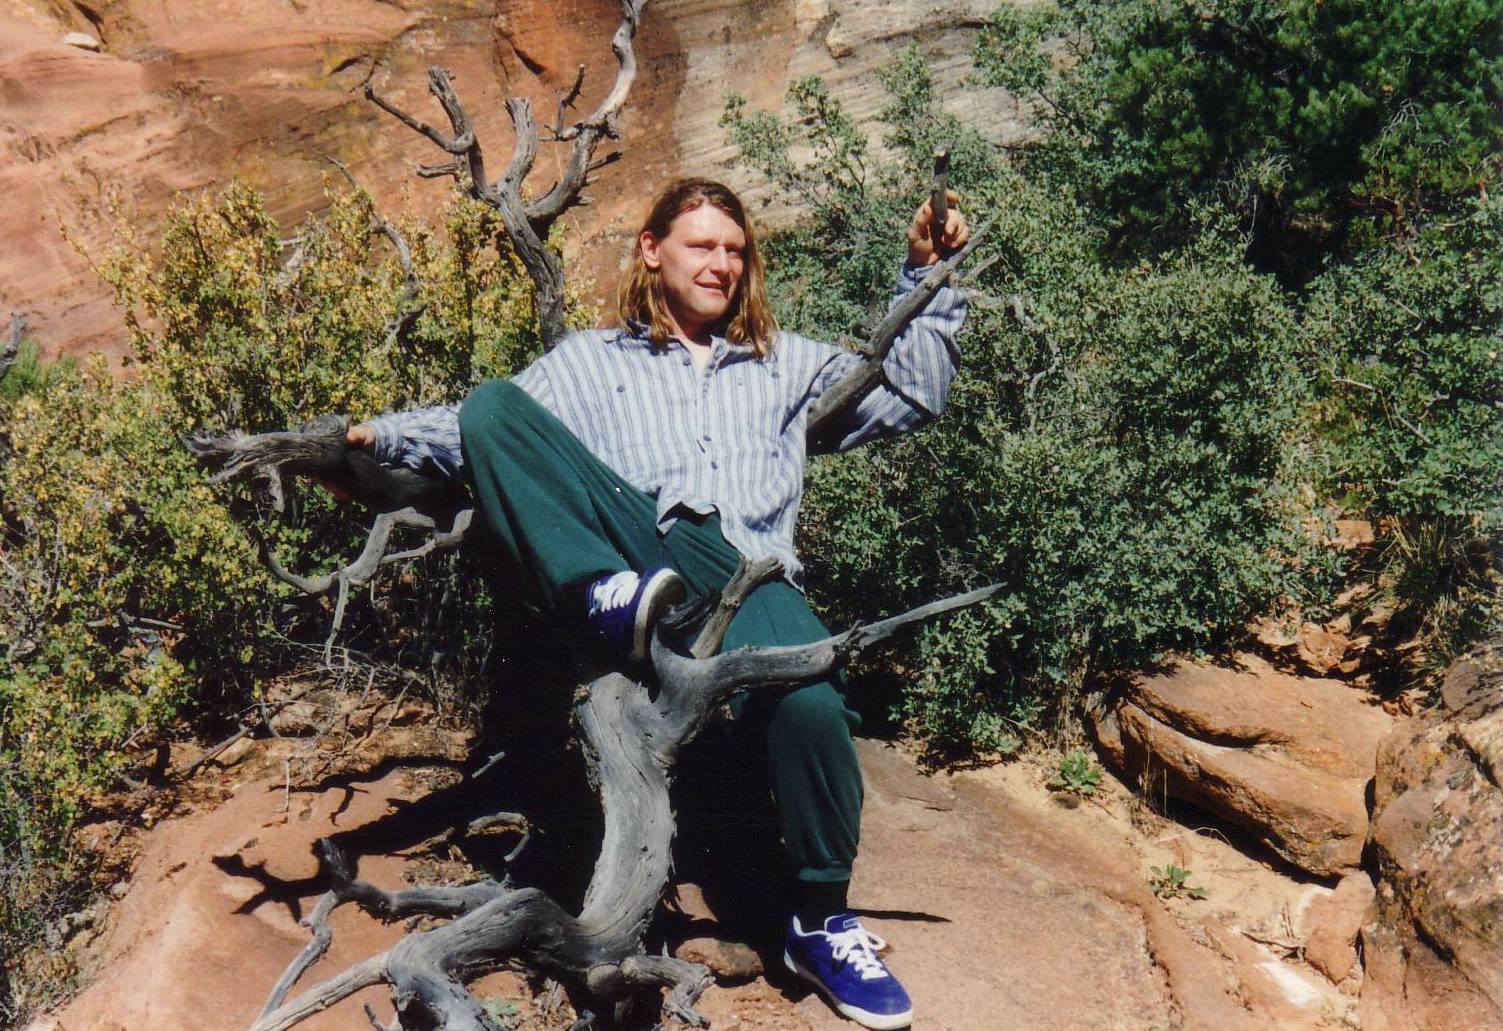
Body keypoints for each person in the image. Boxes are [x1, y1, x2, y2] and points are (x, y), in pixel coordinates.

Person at [352, 177, 968, 1030]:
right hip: (637, 548)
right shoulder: (590, 361)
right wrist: (378, 436)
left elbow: (911, 393)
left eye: (734, 249)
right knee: (499, 402)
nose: (720, 263)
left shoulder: (784, 361)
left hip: (745, 564)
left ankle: (820, 918)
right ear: (652, 250)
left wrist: (928, 279)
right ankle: (599, 592)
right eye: (700, 245)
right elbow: (476, 428)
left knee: (814, 701)